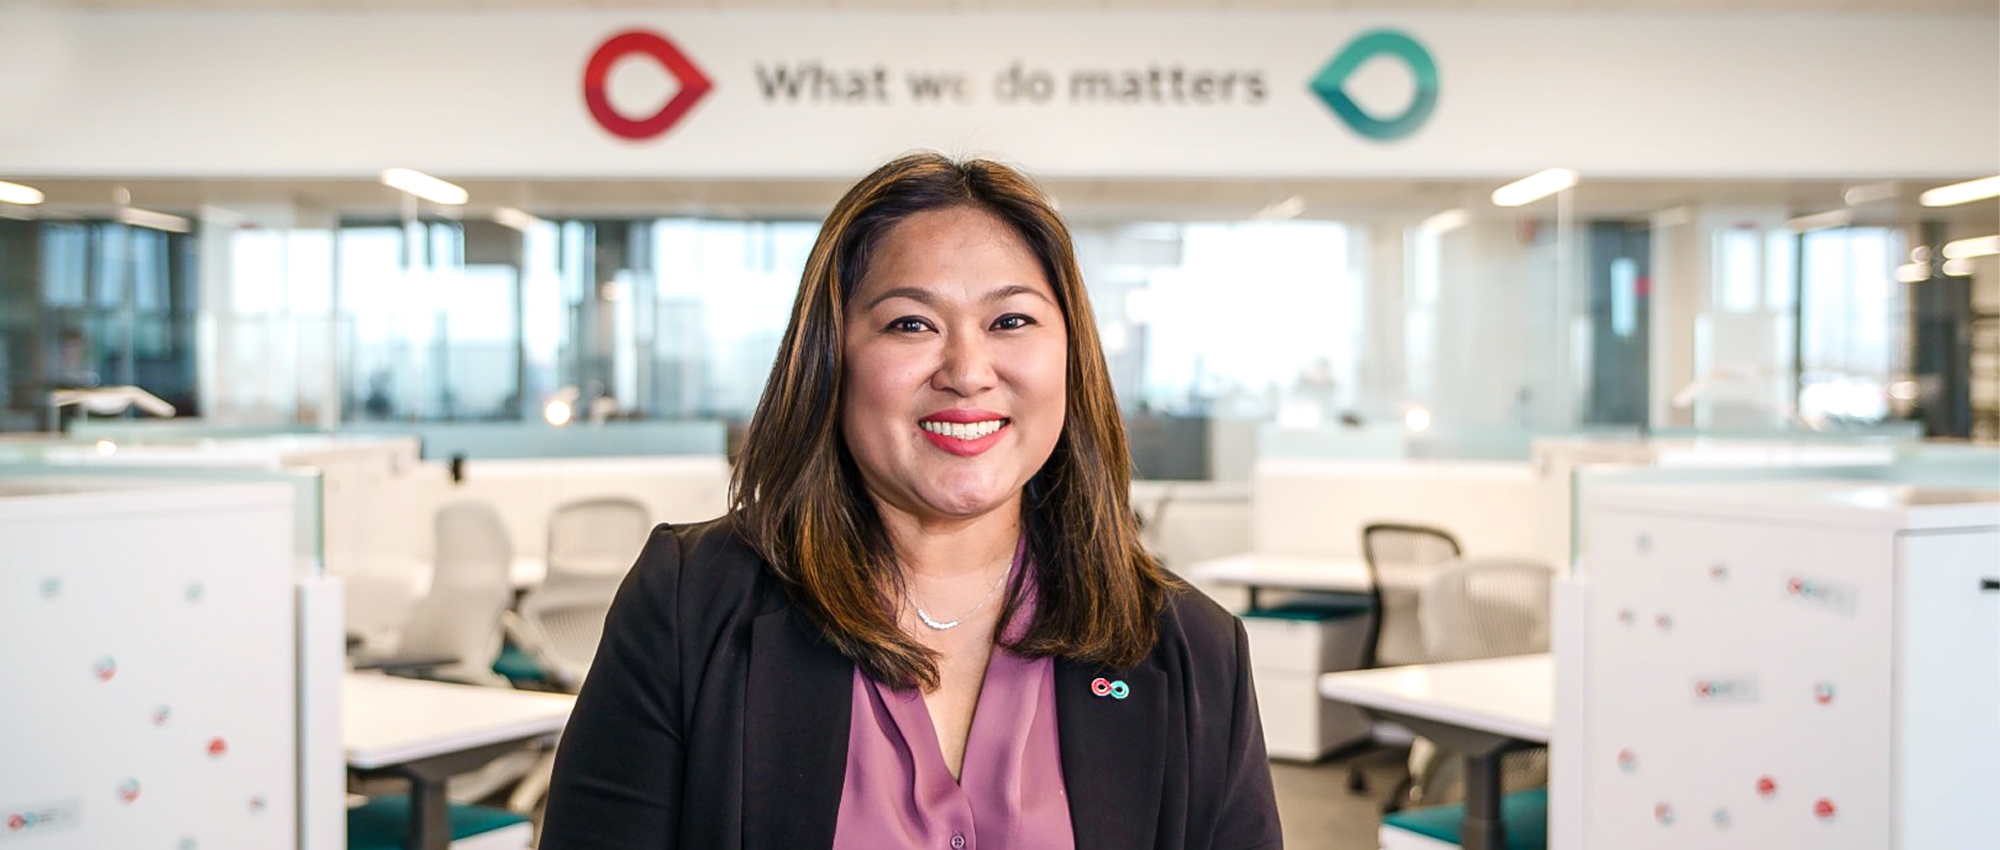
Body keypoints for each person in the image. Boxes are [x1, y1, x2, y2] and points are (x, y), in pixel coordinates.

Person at [540, 152, 1282, 850]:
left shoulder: (1190, 649)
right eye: (911, 324)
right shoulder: (691, 604)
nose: (966, 370)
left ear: (1071, 358)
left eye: (1011, 321)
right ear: (830, 359)